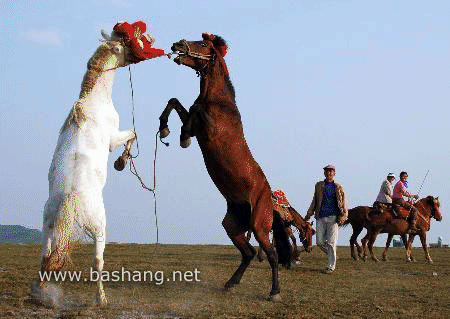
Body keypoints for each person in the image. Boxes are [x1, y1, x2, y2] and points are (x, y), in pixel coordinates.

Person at [305, 164, 348, 274]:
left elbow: (344, 203)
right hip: (321, 217)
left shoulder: (339, 187)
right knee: (319, 242)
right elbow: (314, 200)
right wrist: (309, 213)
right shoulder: (319, 185)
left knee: (331, 242)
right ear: (324, 173)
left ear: (334, 173)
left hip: (334, 217)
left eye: (331, 171)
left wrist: (344, 215)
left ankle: (330, 266)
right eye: (327, 171)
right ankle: (332, 254)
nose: (329, 173)